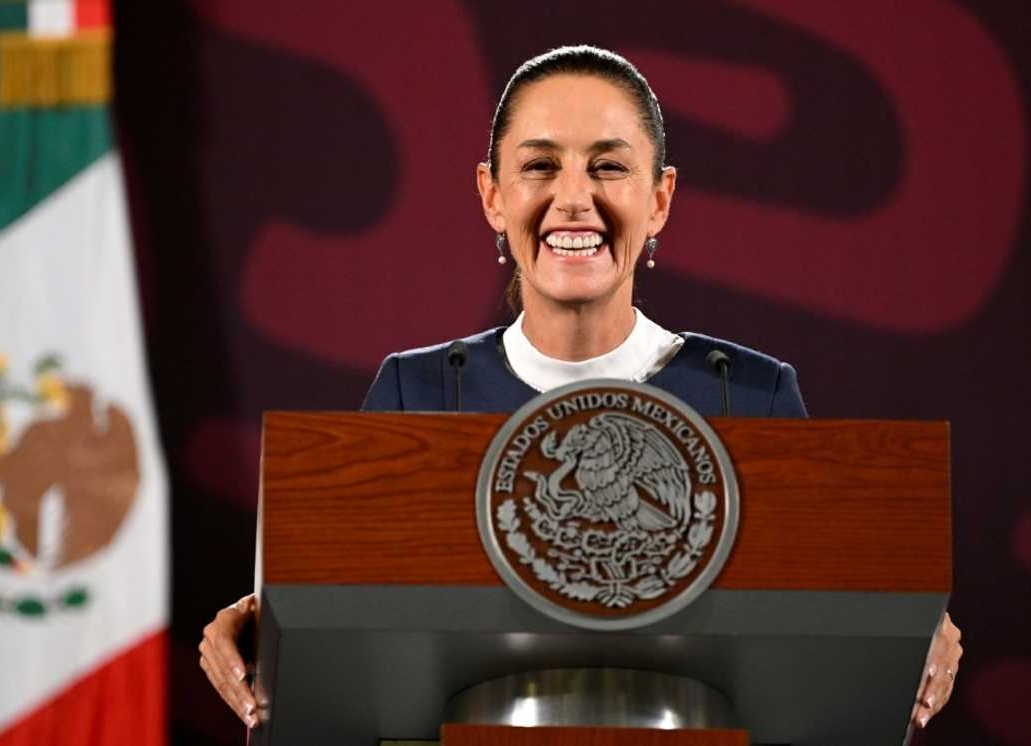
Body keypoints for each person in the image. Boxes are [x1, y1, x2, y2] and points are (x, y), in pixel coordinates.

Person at [199, 45, 962, 732]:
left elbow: (829, 616)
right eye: (539, 166)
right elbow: (347, 622)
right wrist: (270, 623)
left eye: (607, 166)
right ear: (492, 194)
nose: (573, 199)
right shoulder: (416, 392)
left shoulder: (751, 396)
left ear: (659, 199)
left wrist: (911, 620)